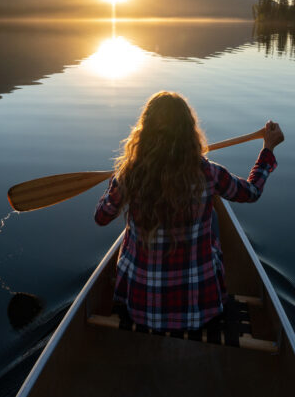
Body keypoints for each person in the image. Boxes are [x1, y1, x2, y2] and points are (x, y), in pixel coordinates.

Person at [94, 90, 284, 331]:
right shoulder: (209, 173)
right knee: (213, 214)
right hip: (200, 313)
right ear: (189, 132)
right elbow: (252, 192)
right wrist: (268, 150)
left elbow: (101, 217)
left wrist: (117, 181)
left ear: (144, 133)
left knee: (137, 226)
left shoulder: (129, 174)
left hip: (140, 311)